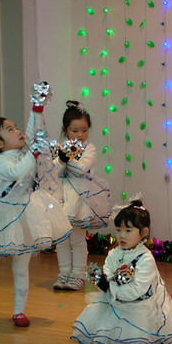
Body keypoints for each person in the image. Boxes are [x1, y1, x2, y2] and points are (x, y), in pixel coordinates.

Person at [0, 86, 71, 327]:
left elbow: (33, 131)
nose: (17, 131)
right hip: (3, 217)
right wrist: (34, 152)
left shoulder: (23, 151)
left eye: (16, 127)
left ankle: (19, 311)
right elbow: (17, 171)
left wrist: (37, 107)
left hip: (26, 214)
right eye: (10, 129)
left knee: (22, 265)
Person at [71, 200, 172, 344]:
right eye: (118, 230)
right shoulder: (113, 254)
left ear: (143, 232)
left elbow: (137, 290)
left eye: (128, 230)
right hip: (116, 299)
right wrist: (101, 280)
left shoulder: (145, 258)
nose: (122, 235)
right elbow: (108, 274)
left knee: (130, 332)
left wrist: (110, 288)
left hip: (141, 305)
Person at [53, 101, 111, 291]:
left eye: (84, 130)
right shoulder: (59, 147)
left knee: (77, 238)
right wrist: (60, 158)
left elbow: (82, 168)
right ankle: (64, 273)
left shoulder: (89, 148)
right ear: (65, 130)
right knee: (61, 238)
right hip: (60, 196)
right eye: (75, 130)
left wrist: (65, 158)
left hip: (80, 197)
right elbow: (53, 171)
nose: (80, 135)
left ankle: (78, 274)